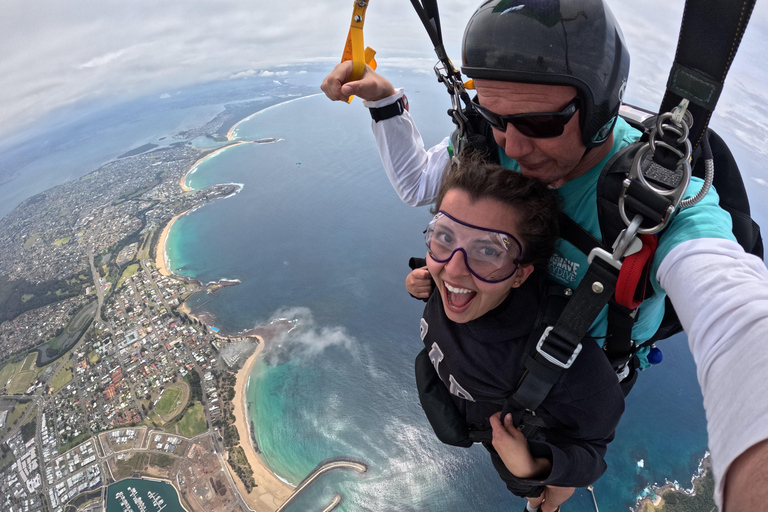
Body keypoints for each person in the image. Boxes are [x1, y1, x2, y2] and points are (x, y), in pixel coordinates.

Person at [321, 0, 768, 509]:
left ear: (599, 109)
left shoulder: (660, 200)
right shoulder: (491, 144)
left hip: (576, 381)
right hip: (508, 341)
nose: (514, 144)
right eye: (493, 115)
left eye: (539, 124)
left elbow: (737, 316)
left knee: (548, 481)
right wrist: (383, 99)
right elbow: (419, 182)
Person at [415, 154, 624, 512]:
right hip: (494, 431)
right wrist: (420, 280)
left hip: (528, 444)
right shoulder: (451, 284)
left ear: (520, 274)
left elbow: (594, 451)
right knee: (520, 484)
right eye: (445, 236)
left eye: (487, 251)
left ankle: (547, 507)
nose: (453, 269)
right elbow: (446, 272)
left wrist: (533, 466)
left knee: (538, 491)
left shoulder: (564, 359)